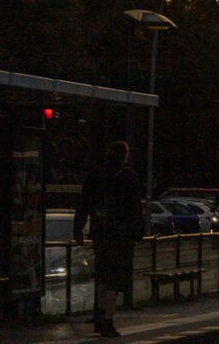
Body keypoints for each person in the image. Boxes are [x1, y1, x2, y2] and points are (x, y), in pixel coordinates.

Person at [74, 141, 145, 338]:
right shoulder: (129, 177)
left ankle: (99, 316)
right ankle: (108, 319)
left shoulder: (95, 175)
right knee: (115, 279)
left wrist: (78, 228)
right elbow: (135, 208)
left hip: (100, 232)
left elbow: (84, 203)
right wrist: (137, 232)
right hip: (121, 235)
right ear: (125, 156)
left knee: (102, 275)